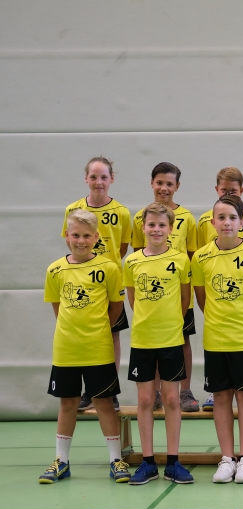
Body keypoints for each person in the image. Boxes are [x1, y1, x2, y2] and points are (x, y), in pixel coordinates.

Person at [40, 209, 130, 483]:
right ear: (67, 236)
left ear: (96, 237)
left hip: (98, 349)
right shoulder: (55, 269)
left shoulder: (109, 268)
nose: (81, 241)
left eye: (86, 236)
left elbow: (116, 307)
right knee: (68, 402)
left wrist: (97, 330)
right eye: (76, 235)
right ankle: (62, 461)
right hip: (66, 349)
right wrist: (73, 332)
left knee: (103, 402)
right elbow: (58, 309)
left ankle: (116, 460)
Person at [191, 195, 243, 483]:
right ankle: (227, 459)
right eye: (221, 218)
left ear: (242, 223)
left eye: (232, 218)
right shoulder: (200, 257)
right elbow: (202, 300)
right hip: (215, 339)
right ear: (212, 222)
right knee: (221, 397)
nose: (227, 223)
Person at [124, 203, 194, 484]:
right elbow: (133, 300)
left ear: (170, 229)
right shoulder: (132, 261)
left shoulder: (180, 260)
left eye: (162, 225)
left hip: (171, 339)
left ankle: (173, 462)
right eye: (151, 224)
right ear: (143, 227)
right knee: (144, 400)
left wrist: (169, 324)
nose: (156, 229)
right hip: (142, 340)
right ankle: (148, 462)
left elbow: (185, 300)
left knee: (171, 399)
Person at [62, 157, 131, 412]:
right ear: (86, 179)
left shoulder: (122, 212)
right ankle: (88, 392)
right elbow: (70, 242)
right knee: (83, 336)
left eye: (103, 177)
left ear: (111, 179)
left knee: (111, 336)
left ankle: (109, 390)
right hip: (81, 283)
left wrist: (103, 267)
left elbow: (121, 249)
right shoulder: (73, 209)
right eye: (93, 177)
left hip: (108, 284)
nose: (98, 182)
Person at [132, 162, 199, 413]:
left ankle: (185, 391)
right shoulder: (141, 217)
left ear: (177, 186)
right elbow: (139, 255)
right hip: (153, 296)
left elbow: (191, 255)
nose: (164, 188)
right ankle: (157, 392)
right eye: (159, 182)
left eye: (169, 184)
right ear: (152, 183)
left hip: (178, 292)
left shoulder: (187, 218)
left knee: (182, 340)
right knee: (155, 343)